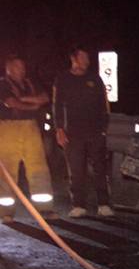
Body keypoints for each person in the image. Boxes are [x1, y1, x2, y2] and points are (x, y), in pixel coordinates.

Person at [53, 46, 114, 218]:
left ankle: (103, 203)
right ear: (74, 59)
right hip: (73, 132)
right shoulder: (63, 79)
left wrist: (103, 128)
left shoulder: (95, 78)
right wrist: (59, 129)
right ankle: (78, 205)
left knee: (100, 168)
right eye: (83, 57)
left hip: (95, 131)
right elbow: (57, 105)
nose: (87, 61)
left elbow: (104, 104)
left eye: (88, 58)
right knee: (76, 170)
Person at [0, 55, 57, 223]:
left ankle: (44, 209)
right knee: (6, 171)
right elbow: (11, 103)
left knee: (39, 167)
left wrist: (23, 100)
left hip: (31, 127)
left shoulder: (30, 83)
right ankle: (5, 211)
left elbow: (45, 98)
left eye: (23, 67)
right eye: (18, 67)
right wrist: (32, 105)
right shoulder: (2, 84)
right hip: (8, 128)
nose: (22, 70)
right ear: (9, 68)